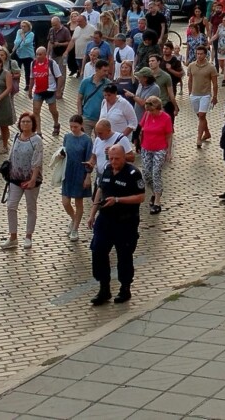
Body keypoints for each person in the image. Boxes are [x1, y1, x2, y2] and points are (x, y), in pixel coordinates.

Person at [87, 144, 145, 305]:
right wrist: (92, 213)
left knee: (124, 255)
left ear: (124, 157)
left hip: (125, 222)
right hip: (105, 219)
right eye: (111, 158)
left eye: (117, 158)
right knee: (98, 251)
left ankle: (125, 288)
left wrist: (118, 200)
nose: (113, 161)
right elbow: (100, 189)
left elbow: (141, 197)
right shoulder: (107, 169)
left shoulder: (133, 173)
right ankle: (103, 288)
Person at [1, 113, 43, 251]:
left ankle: (28, 237)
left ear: (33, 124)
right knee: (11, 206)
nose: (25, 124)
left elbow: (37, 161)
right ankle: (13, 237)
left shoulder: (36, 140)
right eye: (23, 122)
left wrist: (32, 179)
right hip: (15, 178)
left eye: (28, 122)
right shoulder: (16, 137)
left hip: (31, 180)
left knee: (31, 208)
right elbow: (12, 155)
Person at [60, 114, 94, 241]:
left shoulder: (87, 140)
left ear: (81, 126)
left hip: (80, 172)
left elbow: (89, 159)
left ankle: (75, 229)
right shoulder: (67, 137)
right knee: (65, 202)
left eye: (75, 126)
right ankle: (74, 219)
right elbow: (63, 151)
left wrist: (88, 176)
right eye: (71, 126)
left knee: (78, 202)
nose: (73, 129)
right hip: (68, 172)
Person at [136, 96, 173, 215]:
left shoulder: (166, 118)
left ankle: (157, 202)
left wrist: (169, 151)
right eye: (148, 110)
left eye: (152, 110)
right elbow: (141, 129)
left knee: (156, 172)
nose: (150, 112)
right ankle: (155, 191)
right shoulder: (147, 115)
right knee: (146, 174)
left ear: (158, 108)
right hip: (146, 148)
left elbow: (169, 135)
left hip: (160, 149)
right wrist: (138, 143)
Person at [187, 45, 218, 150]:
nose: (199, 56)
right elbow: (190, 80)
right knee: (201, 117)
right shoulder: (191, 66)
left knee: (201, 115)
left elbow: (215, 83)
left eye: (201, 54)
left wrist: (215, 96)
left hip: (205, 95)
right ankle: (207, 132)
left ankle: (199, 138)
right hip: (194, 95)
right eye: (197, 53)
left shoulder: (211, 67)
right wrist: (190, 92)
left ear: (205, 54)